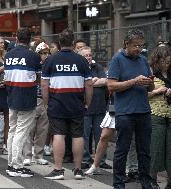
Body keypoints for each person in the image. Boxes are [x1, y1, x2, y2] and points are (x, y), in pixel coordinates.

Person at [107, 29, 158, 189]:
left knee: (145, 151)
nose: (139, 49)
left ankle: (146, 182)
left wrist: (149, 82)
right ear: (126, 44)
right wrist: (133, 81)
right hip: (125, 112)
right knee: (122, 150)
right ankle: (118, 184)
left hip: (143, 111)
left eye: (141, 46)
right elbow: (111, 85)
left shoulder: (143, 60)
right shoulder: (117, 59)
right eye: (135, 45)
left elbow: (150, 89)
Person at [42, 28, 93, 180]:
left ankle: (58, 169)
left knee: (59, 135)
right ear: (72, 42)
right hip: (76, 103)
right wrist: (87, 103)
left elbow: (44, 85)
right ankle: (78, 170)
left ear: (59, 42)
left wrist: (46, 103)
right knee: (78, 135)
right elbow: (89, 85)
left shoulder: (50, 60)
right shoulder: (82, 61)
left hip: (56, 103)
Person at [4, 28, 41, 177]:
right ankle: (16, 166)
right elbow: (38, 78)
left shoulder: (8, 55)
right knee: (21, 132)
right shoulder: (33, 56)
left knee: (13, 130)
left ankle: (11, 163)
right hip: (26, 98)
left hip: (12, 95)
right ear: (29, 39)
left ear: (16, 38)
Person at [148, 42, 171, 188]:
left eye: (168, 62)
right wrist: (157, 91)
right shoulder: (150, 74)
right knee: (156, 147)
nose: (165, 65)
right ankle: (152, 179)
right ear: (156, 60)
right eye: (162, 62)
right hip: (156, 115)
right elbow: (142, 95)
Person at [78, 46, 112, 170]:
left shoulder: (97, 67)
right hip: (85, 107)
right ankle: (85, 160)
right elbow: (80, 84)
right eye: (85, 55)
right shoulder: (78, 68)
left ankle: (101, 160)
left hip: (100, 107)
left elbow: (106, 81)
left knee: (101, 136)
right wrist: (94, 81)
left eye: (90, 55)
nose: (88, 57)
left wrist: (90, 83)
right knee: (85, 136)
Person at [23, 42, 50, 166]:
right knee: (30, 128)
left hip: (45, 99)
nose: (45, 56)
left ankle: (38, 155)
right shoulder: (33, 64)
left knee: (43, 129)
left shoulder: (50, 65)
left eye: (47, 53)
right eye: (43, 53)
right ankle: (27, 155)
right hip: (33, 98)